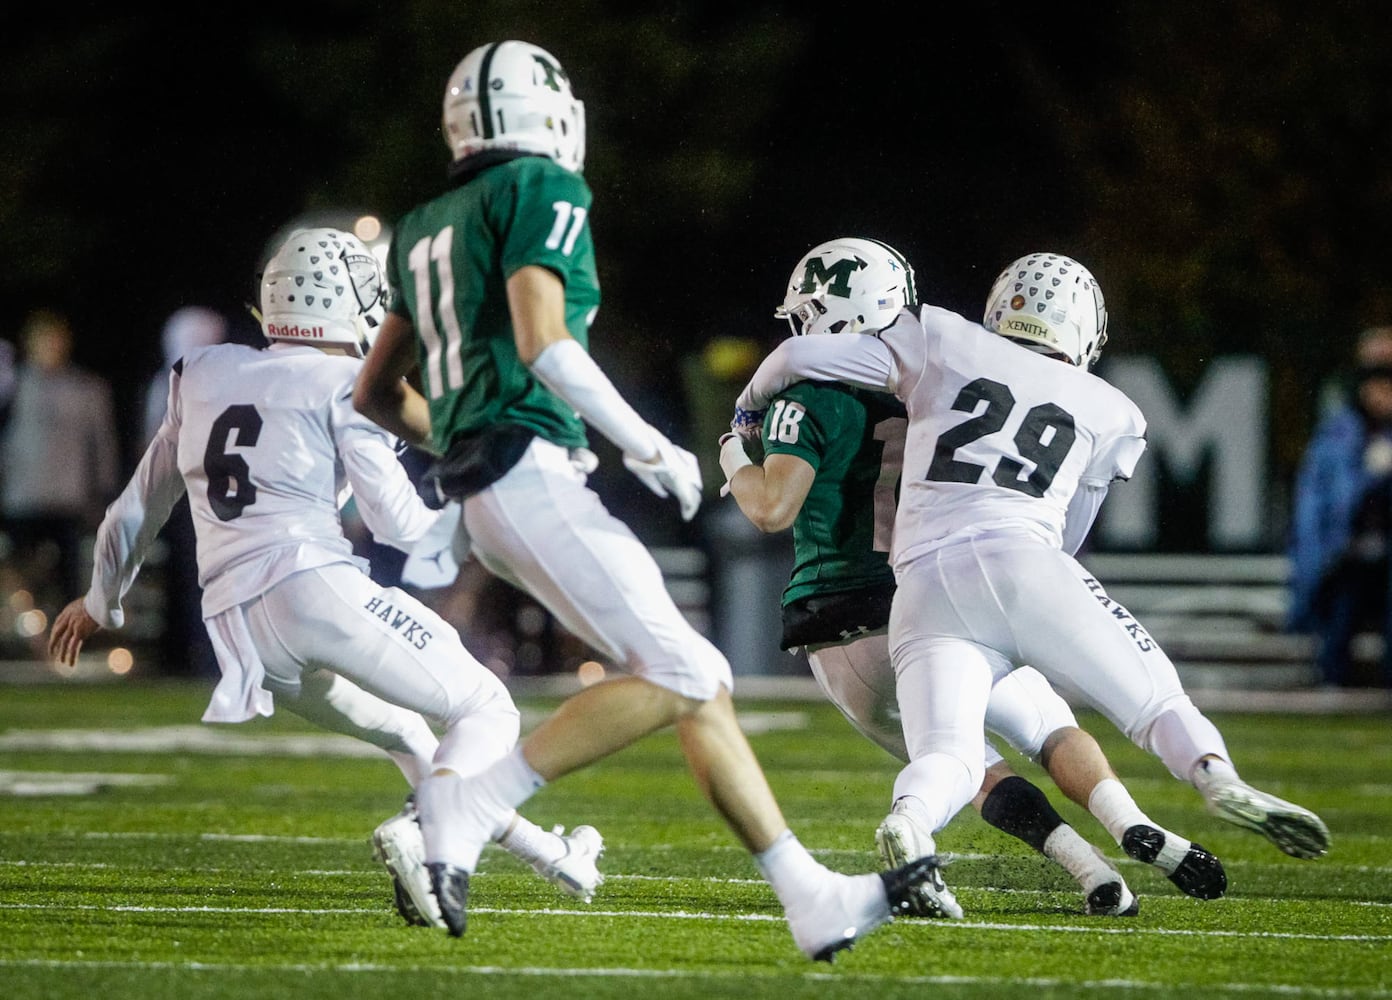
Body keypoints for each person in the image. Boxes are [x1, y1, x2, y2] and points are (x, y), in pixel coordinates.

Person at [351, 39, 943, 960]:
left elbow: (377, 394)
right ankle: (467, 801)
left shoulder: (426, 219)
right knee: (681, 673)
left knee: (696, 682)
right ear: (546, 112)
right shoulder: (539, 189)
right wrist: (649, 441)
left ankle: (809, 894)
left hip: (489, 488)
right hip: (531, 473)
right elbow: (545, 342)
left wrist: (467, 442)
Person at [729, 250, 1331, 909]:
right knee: (1153, 703)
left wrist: (744, 410)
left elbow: (794, 364)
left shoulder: (946, 340)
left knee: (953, 756)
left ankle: (911, 819)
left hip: (922, 586)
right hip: (1025, 559)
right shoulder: (1113, 410)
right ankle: (1215, 781)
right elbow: (1071, 534)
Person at [47, 227, 603, 931]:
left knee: (412, 737)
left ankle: (551, 856)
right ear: (347, 302)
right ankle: (429, 835)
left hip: (238, 628)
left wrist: (101, 599)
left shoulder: (204, 371)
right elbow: (403, 525)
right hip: (309, 583)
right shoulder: (345, 384)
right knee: (486, 709)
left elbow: (137, 507)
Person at [1288, 326, 1392, 688]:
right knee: (1341, 605)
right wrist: (1368, 477)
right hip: (1347, 558)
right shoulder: (1340, 434)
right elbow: (1322, 510)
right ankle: (1333, 686)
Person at [0, 308, 119, 612]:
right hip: (22, 498)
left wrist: (105, 493)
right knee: (21, 576)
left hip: (69, 499)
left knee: (68, 578)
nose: (50, 347)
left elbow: (103, 446)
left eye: (55, 340)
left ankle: (63, 642)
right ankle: (27, 642)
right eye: (42, 340)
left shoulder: (88, 389)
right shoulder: (12, 385)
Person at [142, 305, 230, 679]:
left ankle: (211, 656)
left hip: (214, 496)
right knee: (186, 577)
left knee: (209, 577)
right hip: (187, 499)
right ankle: (182, 655)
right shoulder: (167, 384)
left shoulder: (226, 382)